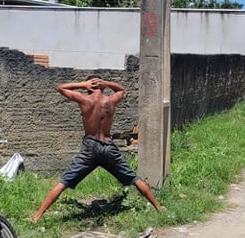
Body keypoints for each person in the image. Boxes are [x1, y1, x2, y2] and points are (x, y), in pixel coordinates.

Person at [30, 75, 162, 221]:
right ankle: (159, 208)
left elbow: (60, 87)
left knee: (63, 183)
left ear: (89, 88)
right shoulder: (110, 100)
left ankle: (36, 217)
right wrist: (106, 83)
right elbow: (122, 90)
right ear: (103, 87)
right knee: (135, 179)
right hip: (108, 147)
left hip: (90, 148)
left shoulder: (84, 99)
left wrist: (83, 83)